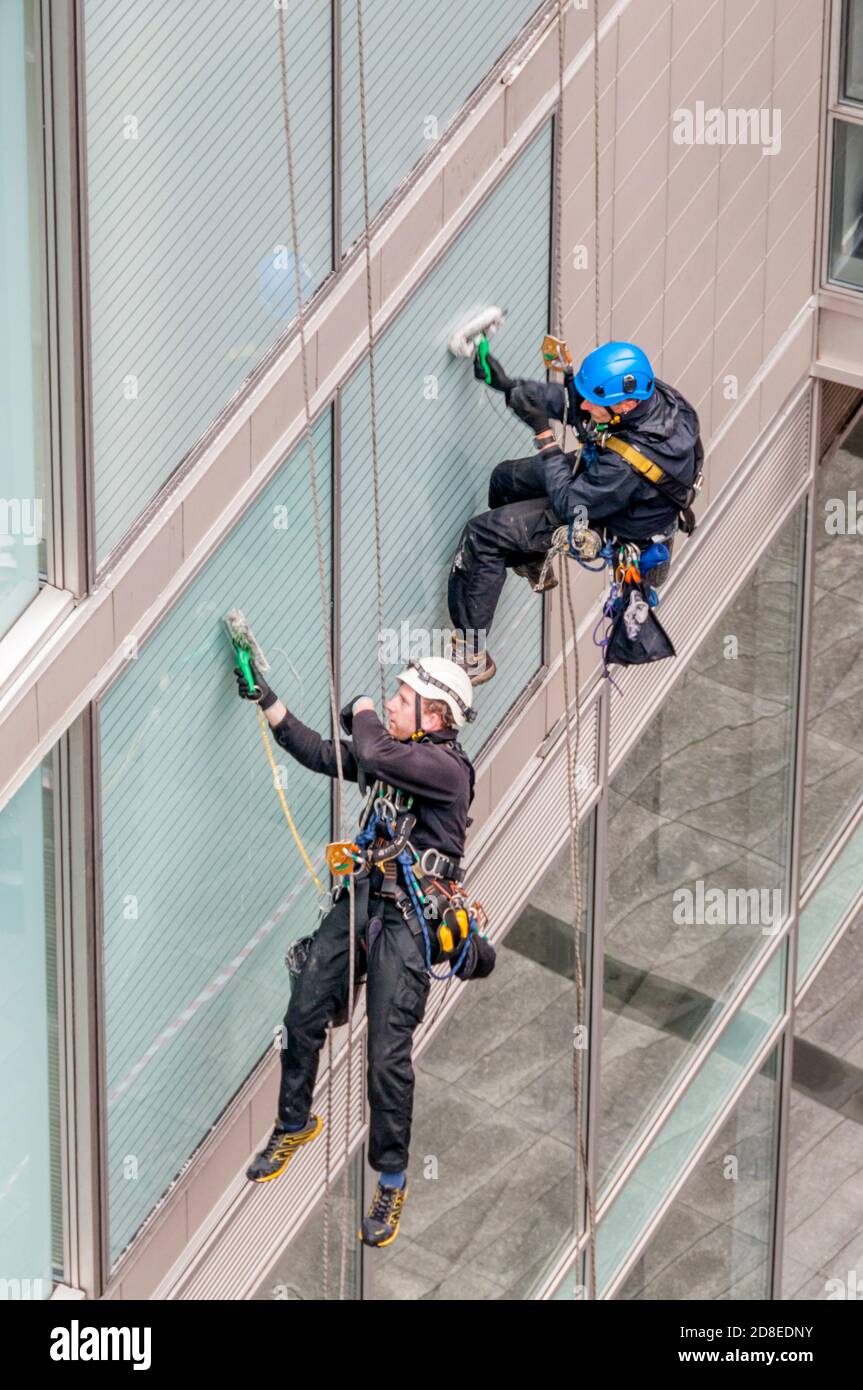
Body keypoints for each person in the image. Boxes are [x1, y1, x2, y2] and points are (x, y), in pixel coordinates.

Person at [236, 654, 496, 1247]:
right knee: (302, 1011)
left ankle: (392, 1177)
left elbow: (373, 748)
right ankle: (294, 1122)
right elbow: (320, 752)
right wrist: (266, 698)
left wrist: (364, 710)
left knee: (385, 1057)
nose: (391, 705)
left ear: (433, 716)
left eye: (402, 700)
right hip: (364, 898)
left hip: (408, 920)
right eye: (393, 700)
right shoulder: (394, 758)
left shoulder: (446, 769)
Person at [448, 340, 704, 684]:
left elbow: (572, 504)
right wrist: (511, 387)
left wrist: (543, 434)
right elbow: (577, 403)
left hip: (601, 512)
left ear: (627, 404)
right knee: (505, 479)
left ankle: (472, 656)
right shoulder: (654, 398)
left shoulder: (630, 462)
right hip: (605, 479)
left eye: (596, 402)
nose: (585, 405)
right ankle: (529, 556)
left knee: (481, 536)